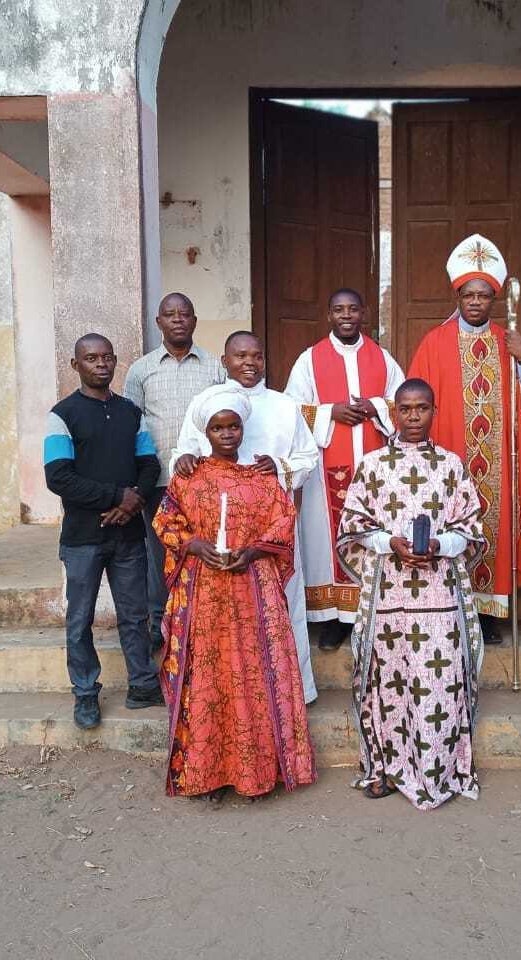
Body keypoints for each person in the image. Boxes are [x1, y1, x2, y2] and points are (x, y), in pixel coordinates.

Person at [153, 392, 316, 800]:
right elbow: (165, 520)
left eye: (233, 426)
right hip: (204, 594)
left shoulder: (263, 479)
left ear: (243, 428)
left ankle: (257, 772)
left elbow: (283, 521)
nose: (227, 434)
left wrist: (255, 550)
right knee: (208, 675)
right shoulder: (187, 478)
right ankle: (206, 773)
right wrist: (193, 545)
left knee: (255, 674)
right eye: (217, 428)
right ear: (204, 431)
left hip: (253, 590)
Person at [337, 378, 486, 809]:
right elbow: (352, 526)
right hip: (388, 592)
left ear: (433, 412)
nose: (414, 416)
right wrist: (390, 543)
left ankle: (440, 769)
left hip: (440, 594)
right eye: (406, 409)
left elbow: (471, 529)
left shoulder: (451, 465)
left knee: (438, 680)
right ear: (394, 413)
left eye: (422, 408)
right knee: (389, 681)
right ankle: (384, 766)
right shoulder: (372, 465)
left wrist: (440, 545)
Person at [406, 234, 521, 644]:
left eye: (484, 296)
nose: (475, 302)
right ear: (458, 295)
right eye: (468, 294)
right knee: (451, 525)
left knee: (493, 527)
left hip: (498, 464)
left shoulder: (509, 342)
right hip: (450, 458)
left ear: (494, 299)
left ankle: (489, 615)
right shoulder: (435, 342)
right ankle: (453, 605)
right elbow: (415, 401)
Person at [173, 332, 321, 703]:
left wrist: (281, 466)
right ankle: (230, 694)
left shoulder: (285, 407)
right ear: (225, 361)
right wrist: (184, 460)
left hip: (271, 532)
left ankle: (290, 690)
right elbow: (184, 453)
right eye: (240, 356)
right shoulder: (207, 403)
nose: (249, 363)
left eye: (256, 355)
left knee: (281, 607)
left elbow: (308, 458)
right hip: (218, 535)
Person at [44, 334, 163, 730]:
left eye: (107, 357)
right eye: (91, 358)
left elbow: (149, 464)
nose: (101, 364)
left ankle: (143, 686)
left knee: (135, 614)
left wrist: (134, 501)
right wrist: (117, 497)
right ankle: (85, 693)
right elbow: (58, 477)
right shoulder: (62, 415)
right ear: (75, 365)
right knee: (80, 619)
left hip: (128, 535)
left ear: (115, 362)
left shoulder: (130, 412)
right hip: (82, 538)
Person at [284, 288, 405, 650]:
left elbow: (404, 402)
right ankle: (333, 618)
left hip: (373, 470)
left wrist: (375, 408)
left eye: (353, 308)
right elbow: (291, 408)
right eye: (339, 310)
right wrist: (329, 412)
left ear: (364, 313)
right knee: (325, 536)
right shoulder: (310, 360)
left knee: (372, 533)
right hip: (326, 470)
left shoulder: (382, 359)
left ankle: (368, 613)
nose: (347, 315)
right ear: (329, 316)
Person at [123, 292, 225, 655]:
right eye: (170, 314)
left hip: (204, 482)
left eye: (185, 313)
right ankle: (159, 623)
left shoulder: (215, 367)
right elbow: (129, 426)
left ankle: (196, 621)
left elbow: (225, 421)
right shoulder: (141, 370)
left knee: (202, 552)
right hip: (158, 481)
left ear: (195, 321)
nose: (178, 319)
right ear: (159, 323)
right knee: (159, 554)